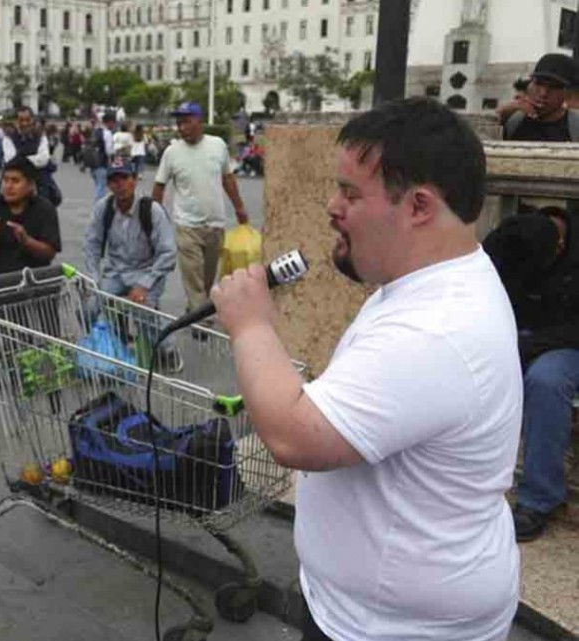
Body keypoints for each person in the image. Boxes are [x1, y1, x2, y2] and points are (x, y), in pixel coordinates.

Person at [211, 98, 520, 641]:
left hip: (396, 629)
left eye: (351, 193)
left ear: (420, 206)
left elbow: (294, 435)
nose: (331, 206)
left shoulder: (435, 329)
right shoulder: (432, 281)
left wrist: (252, 325)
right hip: (368, 612)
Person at [483, 206, 579, 542]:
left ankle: (539, 498)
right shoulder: (515, 240)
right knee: (476, 368)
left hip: (568, 343)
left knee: (546, 381)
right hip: (521, 335)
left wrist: (527, 345)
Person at [153, 102, 250, 311]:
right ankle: (202, 321)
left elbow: (228, 178)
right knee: (193, 279)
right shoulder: (172, 152)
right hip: (186, 226)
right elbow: (159, 185)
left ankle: (195, 309)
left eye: (186, 122)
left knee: (206, 278)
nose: (181, 127)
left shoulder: (218, 146)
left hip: (215, 224)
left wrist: (239, 208)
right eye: (179, 123)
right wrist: (155, 218)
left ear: (200, 121)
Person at [84, 159, 176, 309]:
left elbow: (168, 252)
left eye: (125, 178)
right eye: (114, 180)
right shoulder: (103, 208)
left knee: (145, 316)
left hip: (146, 273)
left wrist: (144, 284)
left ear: (134, 180)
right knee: (88, 308)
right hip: (115, 273)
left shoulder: (152, 210)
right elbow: (91, 244)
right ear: (108, 185)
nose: (120, 185)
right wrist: (93, 279)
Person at [0, 156, 60, 276]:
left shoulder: (45, 209)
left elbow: (50, 253)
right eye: (5, 180)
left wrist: (26, 240)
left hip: (35, 282)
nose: (8, 186)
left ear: (30, 184)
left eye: (15, 181)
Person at [499, 54, 578, 142]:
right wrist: (501, 113)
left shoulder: (574, 126)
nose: (543, 93)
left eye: (553, 87)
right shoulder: (515, 122)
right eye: (538, 83)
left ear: (566, 93)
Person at [3, 106, 60, 206]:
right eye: (21, 120)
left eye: (27, 120)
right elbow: (10, 160)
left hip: (41, 184)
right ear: (16, 121)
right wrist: (33, 159)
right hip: (16, 184)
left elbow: (44, 159)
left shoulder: (40, 135)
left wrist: (21, 159)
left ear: (32, 119)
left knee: (44, 212)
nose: (24, 123)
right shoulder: (9, 137)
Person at [87, 112, 116, 202]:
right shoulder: (107, 133)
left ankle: (98, 206)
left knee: (98, 186)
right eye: (114, 123)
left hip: (93, 163)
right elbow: (109, 151)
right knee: (101, 187)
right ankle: (98, 208)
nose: (114, 125)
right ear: (110, 122)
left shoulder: (96, 131)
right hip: (102, 163)